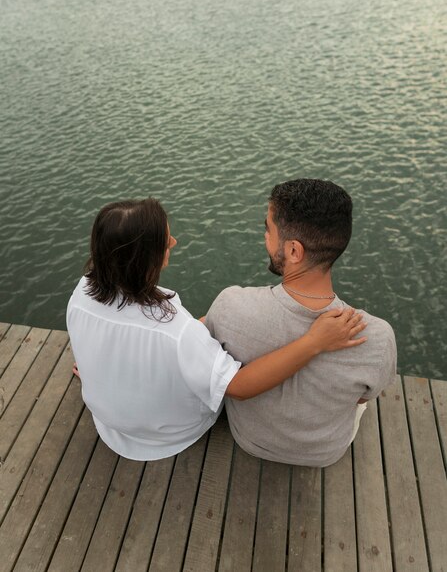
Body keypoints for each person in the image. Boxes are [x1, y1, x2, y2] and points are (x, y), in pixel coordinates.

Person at [67, 197, 366, 461]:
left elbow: (137, 333)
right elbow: (238, 387)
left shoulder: (81, 295)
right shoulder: (177, 331)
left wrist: (98, 368)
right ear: (145, 258)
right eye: (166, 240)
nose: (174, 243)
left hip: (108, 422)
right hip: (166, 436)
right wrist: (314, 341)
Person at [205, 179, 397, 467]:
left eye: (268, 229)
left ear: (294, 251)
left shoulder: (230, 306)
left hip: (249, 439)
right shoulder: (377, 337)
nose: (265, 238)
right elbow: (360, 400)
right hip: (324, 454)